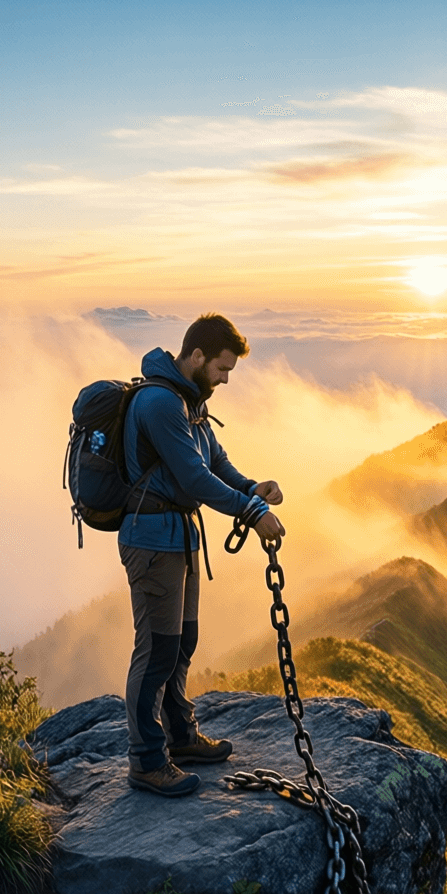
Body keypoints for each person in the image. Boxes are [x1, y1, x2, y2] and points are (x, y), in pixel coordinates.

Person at [119, 312, 285, 797]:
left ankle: (181, 738)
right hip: (152, 541)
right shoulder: (159, 404)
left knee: (182, 643)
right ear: (196, 357)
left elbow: (214, 461)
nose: (226, 379)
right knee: (155, 652)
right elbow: (194, 479)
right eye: (222, 369)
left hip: (180, 537)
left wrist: (250, 488)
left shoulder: (189, 401)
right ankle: (147, 761)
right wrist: (253, 514)